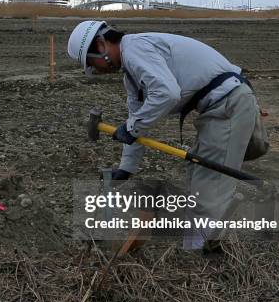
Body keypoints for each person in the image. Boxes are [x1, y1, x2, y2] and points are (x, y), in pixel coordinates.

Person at [67, 21, 260, 251]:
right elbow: (137, 117)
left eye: (92, 63)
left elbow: (167, 94)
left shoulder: (135, 50)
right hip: (220, 106)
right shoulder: (132, 72)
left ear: (101, 45)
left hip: (228, 105)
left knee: (210, 186)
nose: (96, 71)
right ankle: (202, 243)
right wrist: (127, 166)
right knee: (200, 176)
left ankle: (199, 257)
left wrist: (131, 128)